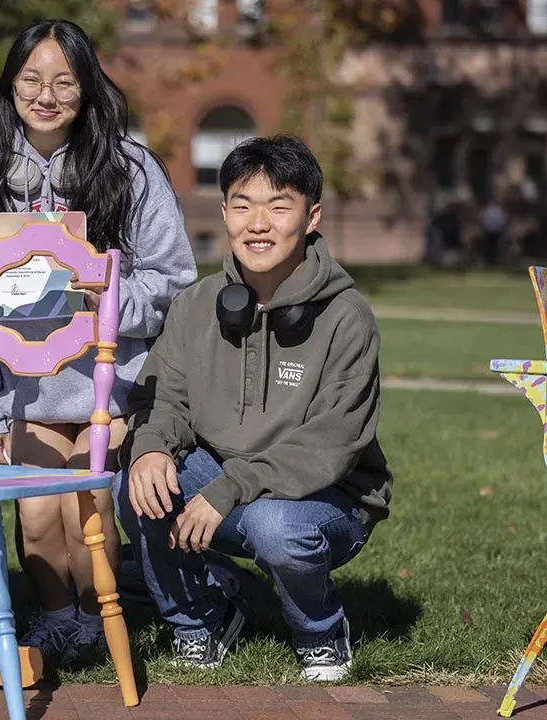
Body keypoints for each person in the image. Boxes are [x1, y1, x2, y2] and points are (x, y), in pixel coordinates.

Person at [0, 19, 196, 666]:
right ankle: (60, 620)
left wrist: (103, 296)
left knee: (86, 503)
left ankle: (98, 618)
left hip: (109, 389)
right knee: (36, 514)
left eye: (65, 80)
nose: (47, 94)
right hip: (24, 390)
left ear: (88, 90)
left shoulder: (131, 168)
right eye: (31, 79)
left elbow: (173, 283)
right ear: (9, 87)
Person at [115, 135, 393, 682]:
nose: (257, 224)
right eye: (242, 206)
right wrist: (149, 449)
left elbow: (330, 444)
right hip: (225, 481)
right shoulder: (196, 305)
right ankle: (199, 621)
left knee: (275, 527)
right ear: (224, 213)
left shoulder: (348, 317)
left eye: (278, 206)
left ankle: (320, 633)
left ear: (311, 217)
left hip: (327, 499)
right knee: (134, 484)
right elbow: (162, 395)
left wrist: (226, 490)